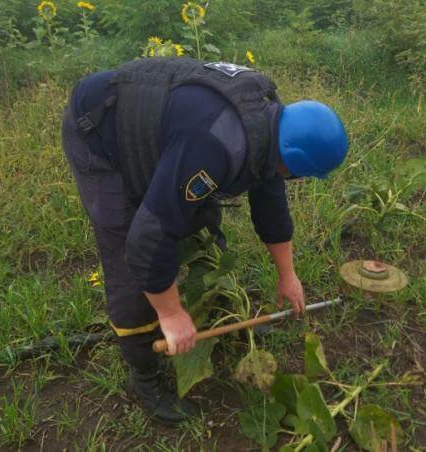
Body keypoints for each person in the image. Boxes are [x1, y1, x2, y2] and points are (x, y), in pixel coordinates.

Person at [61, 57, 348, 422]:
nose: (298, 180)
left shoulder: (269, 127)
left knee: (198, 217)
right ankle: (144, 375)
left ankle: (201, 305)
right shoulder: (217, 144)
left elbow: (270, 200)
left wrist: (287, 275)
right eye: (301, 175)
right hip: (100, 130)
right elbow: (148, 238)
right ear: (291, 157)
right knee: (129, 243)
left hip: (169, 133)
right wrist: (171, 313)